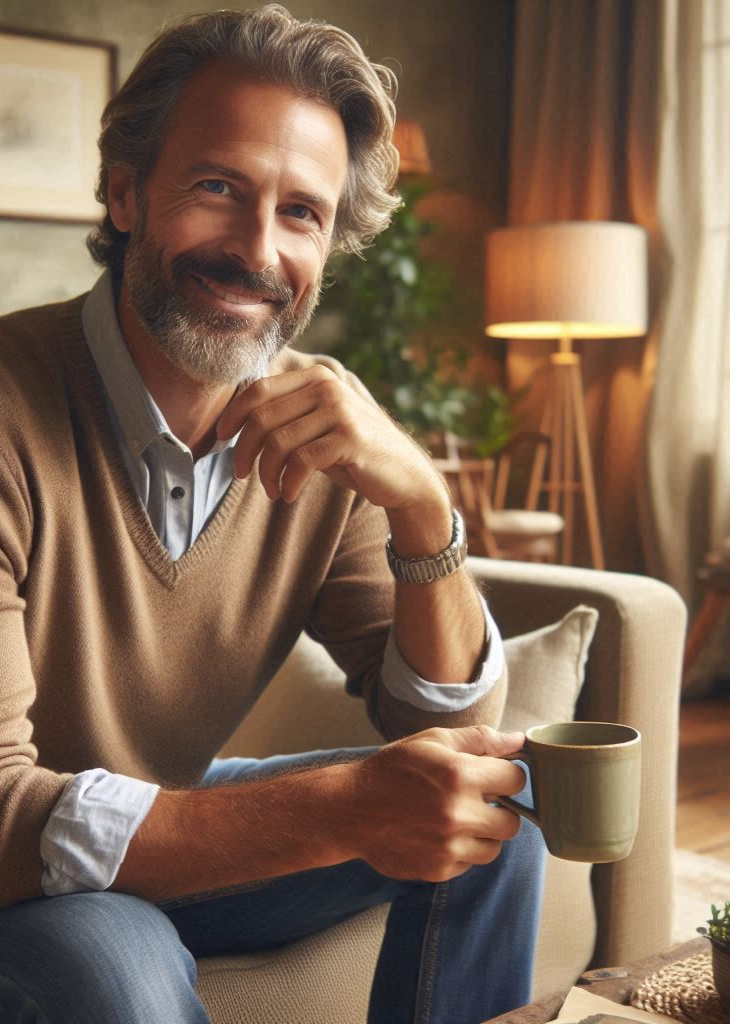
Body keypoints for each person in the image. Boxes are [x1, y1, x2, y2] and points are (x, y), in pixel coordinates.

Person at [0, 6, 547, 1022]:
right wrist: (340, 807)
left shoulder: (319, 436)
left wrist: (424, 504)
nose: (257, 249)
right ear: (126, 193)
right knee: (115, 961)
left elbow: (446, 729)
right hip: (12, 871)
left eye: (301, 212)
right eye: (218, 188)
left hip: (147, 816)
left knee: (493, 802)